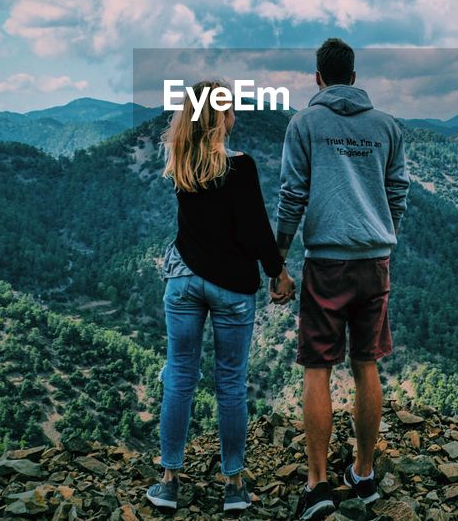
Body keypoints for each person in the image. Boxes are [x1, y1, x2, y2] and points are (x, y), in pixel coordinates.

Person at [147, 79, 296, 514]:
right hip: (231, 287)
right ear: (220, 117)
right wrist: (278, 273)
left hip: (183, 280)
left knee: (179, 376)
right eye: (230, 110)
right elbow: (253, 230)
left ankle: (169, 481)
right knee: (229, 383)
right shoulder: (241, 166)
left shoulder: (181, 162)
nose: (235, 117)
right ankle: (233, 485)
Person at [275, 39, 410, 520]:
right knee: (366, 363)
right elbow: (398, 192)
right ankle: (364, 472)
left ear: (318, 77)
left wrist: (279, 261)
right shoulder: (387, 126)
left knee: (318, 368)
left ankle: (317, 485)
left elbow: (293, 196)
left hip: (326, 262)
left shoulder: (305, 124)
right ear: (354, 77)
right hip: (375, 260)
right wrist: (381, 231)